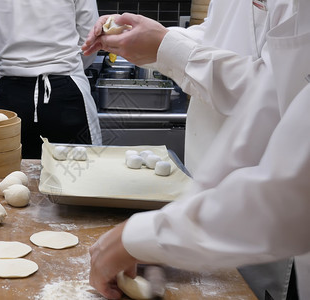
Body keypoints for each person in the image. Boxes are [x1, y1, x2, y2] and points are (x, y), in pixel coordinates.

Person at [82, 2, 310, 300]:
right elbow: (256, 80)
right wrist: (154, 40)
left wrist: (155, 235)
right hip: (218, 214)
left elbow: (291, 187)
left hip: (267, 232)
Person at [0, 0, 102, 158]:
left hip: (11, 96)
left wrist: (1, 78)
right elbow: (89, 42)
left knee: (13, 176)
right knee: (78, 174)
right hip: (67, 93)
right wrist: (68, 68)